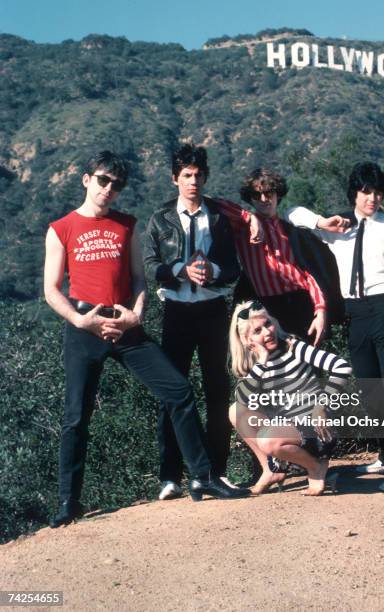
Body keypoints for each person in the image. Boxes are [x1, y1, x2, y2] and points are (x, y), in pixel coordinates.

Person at [44, 151, 249, 527]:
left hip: (125, 325)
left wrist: (136, 314)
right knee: (76, 417)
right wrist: (80, 320)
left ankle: (202, 478)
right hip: (83, 327)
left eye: (116, 184)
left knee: (178, 391)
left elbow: (140, 279)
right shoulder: (61, 227)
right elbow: (51, 289)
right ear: (86, 179)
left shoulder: (128, 225)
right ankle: (68, 501)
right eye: (103, 181)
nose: (109, 190)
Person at [287, 161, 384, 492]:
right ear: (355, 193)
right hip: (355, 315)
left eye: (378, 192)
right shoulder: (339, 227)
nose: (372, 198)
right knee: (369, 390)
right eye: (366, 191)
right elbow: (293, 214)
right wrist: (322, 222)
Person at [143, 143, 249, 499]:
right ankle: (169, 476)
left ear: (205, 177)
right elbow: (148, 264)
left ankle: (214, 472)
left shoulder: (218, 219)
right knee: (172, 392)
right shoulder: (161, 219)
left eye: (198, 175)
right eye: (186, 175)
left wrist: (213, 270)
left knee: (217, 391)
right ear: (175, 179)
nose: (193, 182)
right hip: (176, 311)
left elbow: (234, 267)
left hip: (212, 311)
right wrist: (179, 270)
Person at [229, 300, 352, 496]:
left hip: (317, 426)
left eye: (267, 324)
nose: (267, 332)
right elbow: (243, 399)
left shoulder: (293, 346)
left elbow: (341, 367)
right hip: (290, 426)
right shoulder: (257, 363)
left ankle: (315, 467)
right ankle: (271, 471)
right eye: (257, 331)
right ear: (247, 341)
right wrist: (261, 362)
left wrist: (321, 406)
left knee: (267, 440)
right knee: (236, 411)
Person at [214, 169, 348, 345]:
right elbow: (213, 204)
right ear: (250, 198)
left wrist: (321, 310)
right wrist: (249, 217)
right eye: (256, 195)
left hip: (302, 303)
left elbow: (308, 275)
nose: (263, 199)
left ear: (278, 194)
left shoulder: (290, 229)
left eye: (269, 193)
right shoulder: (243, 230)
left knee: (309, 365)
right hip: (268, 308)